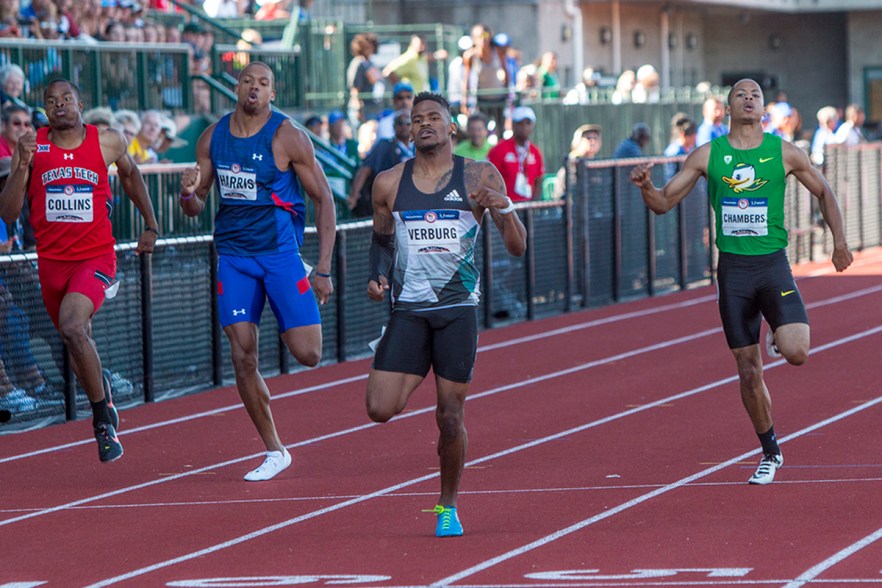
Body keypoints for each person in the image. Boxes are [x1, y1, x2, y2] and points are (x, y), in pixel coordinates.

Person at [629, 78, 852, 485]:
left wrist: (839, 241)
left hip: (772, 266)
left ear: (764, 110)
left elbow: (824, 191)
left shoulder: (783, 152)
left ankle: (777, 330)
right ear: (727, 108)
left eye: (755, 96)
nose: (748, 100)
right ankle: (770, 451)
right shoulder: (707, 155)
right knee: (748, 370)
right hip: (733, 272)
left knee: (797, 351)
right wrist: (647, 188)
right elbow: (663, 203)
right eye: (740, 95)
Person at [365, 91, 526, 537]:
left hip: (457, 311)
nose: (424, 124)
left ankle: (447, 506)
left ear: (452, 127)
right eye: (417, 119)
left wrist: (505, 208)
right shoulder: (389, 182)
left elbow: (517, 247)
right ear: (409, 130)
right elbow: (380, 242)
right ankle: (406, 359)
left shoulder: (478, 174)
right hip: (409, 311)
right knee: (379, 408)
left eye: (434, 117)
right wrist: (377, 278)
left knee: (449, 416)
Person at [179, 61, 336, 482]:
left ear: (272, 94)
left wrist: (322, 268)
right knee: (242, 355)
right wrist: (187, 194)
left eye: (263, 83)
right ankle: (274, 449)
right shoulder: (213, 137)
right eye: (247, 80)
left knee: (309, 354)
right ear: (236, 88)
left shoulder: (288, 136)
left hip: (280, 254)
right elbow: (196, 206)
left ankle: (292, 298)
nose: (254, 87)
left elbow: (324, 199)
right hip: (233, 256)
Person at [0, 78, 160, 461]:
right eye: (51, 101)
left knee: (72, 326)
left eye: (67, 99)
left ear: (80, 103)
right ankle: (99, 385)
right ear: (45, 109)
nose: (59, 106)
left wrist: (151, 225)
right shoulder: (32, 147)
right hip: (52, 264)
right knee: (75, 341)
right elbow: (7, 213)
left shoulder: (107, 141)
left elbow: (132, 175)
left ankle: (102, 421)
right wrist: (21, 167)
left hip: (95, 258)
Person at [348, 109, 413, 218]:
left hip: (413, 199)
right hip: (390, 199)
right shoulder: (385, 145)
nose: (404, 127)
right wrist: (354, 196)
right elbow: (365, 170)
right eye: (400, 123)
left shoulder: (418, 147)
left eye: (408, 123)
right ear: (394, 126)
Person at [487, 106, 544, 202]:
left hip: (528, 207)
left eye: (528, 123)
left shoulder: (535, 152)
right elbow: (488, 177)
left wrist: (534, 204)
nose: (524, 127)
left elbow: (539, 179)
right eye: (520, 123)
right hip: (505, 207)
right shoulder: (499, 149)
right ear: (513, 125)